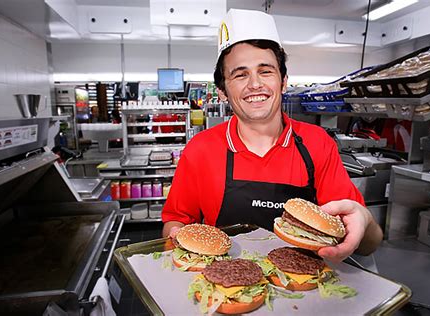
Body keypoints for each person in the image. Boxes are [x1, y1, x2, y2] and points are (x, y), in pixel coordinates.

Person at [161, 9, 382, 262]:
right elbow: (176, 222)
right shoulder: (201, 149)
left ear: (283, 81)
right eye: (240, 74)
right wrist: (177, 237)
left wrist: (365, 220)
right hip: (222, 283)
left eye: (265, 71)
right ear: (222, 91)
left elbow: (368, 244)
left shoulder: (317, 143)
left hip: (305, 293)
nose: (255, 84)